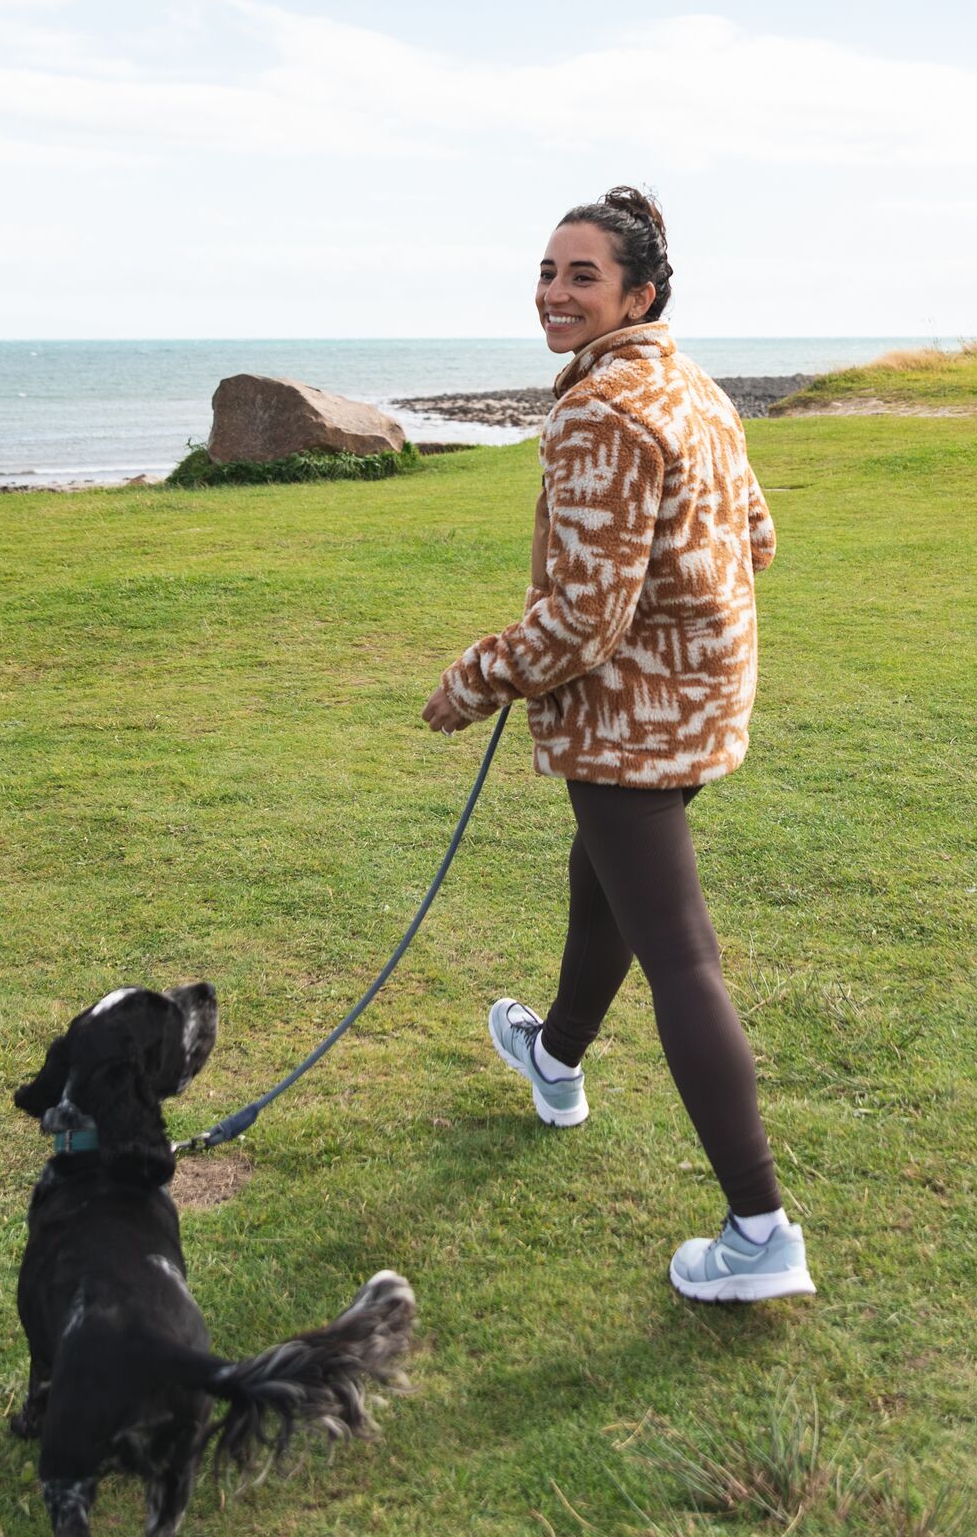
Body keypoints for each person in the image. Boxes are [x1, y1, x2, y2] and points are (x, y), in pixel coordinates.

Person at [422, 186, 814, 1304]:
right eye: (547, 271)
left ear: (637, 293)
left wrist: (474, 679)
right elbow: (760, 538)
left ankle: (759, 1229)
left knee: (680, 952)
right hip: (697, 701)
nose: (553, 292)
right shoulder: (691, 384)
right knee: (603, 887)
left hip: (633, 714)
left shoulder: (600, 412)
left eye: (580, 275)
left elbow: (584, 622)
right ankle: (554, 1059)